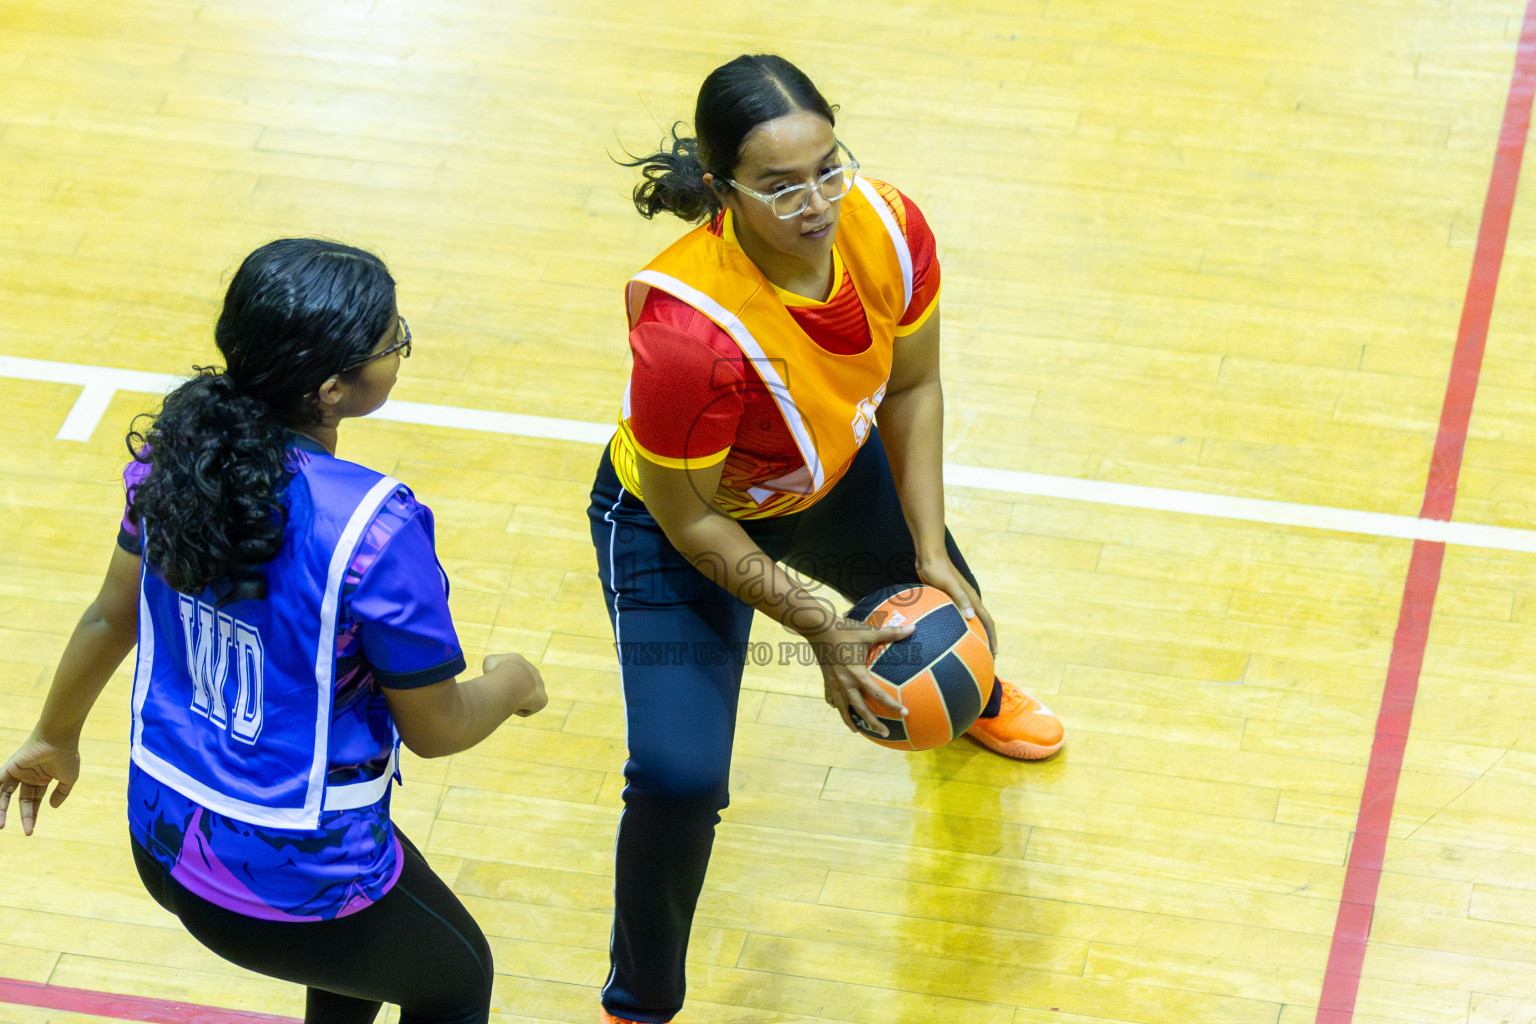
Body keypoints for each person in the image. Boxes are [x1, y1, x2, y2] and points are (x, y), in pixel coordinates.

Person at [587, 54, 1066, 1024]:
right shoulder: (690, 331)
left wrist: (927, 549)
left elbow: (917, 386)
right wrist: (815, 623)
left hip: (828, 480)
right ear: (722, 192)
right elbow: (691, 517)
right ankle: (637, 1000)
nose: (814, 201)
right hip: (679, 530)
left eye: (827, 167)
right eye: (778, 185)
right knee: (680, 780)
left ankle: (965, 692)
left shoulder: (888, 224)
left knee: (957, 609)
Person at [0, 238, 548, 1024]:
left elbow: (108, 614)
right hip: (291, 879)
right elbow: (437, 728)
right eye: (394, 342)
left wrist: (53, 734)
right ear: (331, 389)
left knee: (366, 961)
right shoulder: (374, 530)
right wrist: (516, 681)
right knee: (458, 980)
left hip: (163, 837)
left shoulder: (178, 451)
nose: (401, 351)